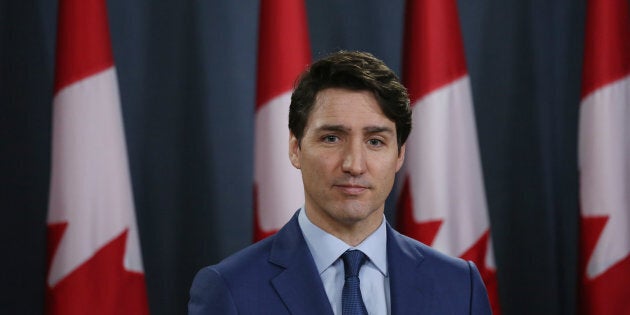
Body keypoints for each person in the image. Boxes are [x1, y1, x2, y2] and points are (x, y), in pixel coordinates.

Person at [188, 51, 491, 315]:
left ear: (399, 155)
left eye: (375, 141)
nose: (354, 165)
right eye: (331, 138)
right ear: (296, 148)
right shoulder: (230, 288)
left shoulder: (459, 286)